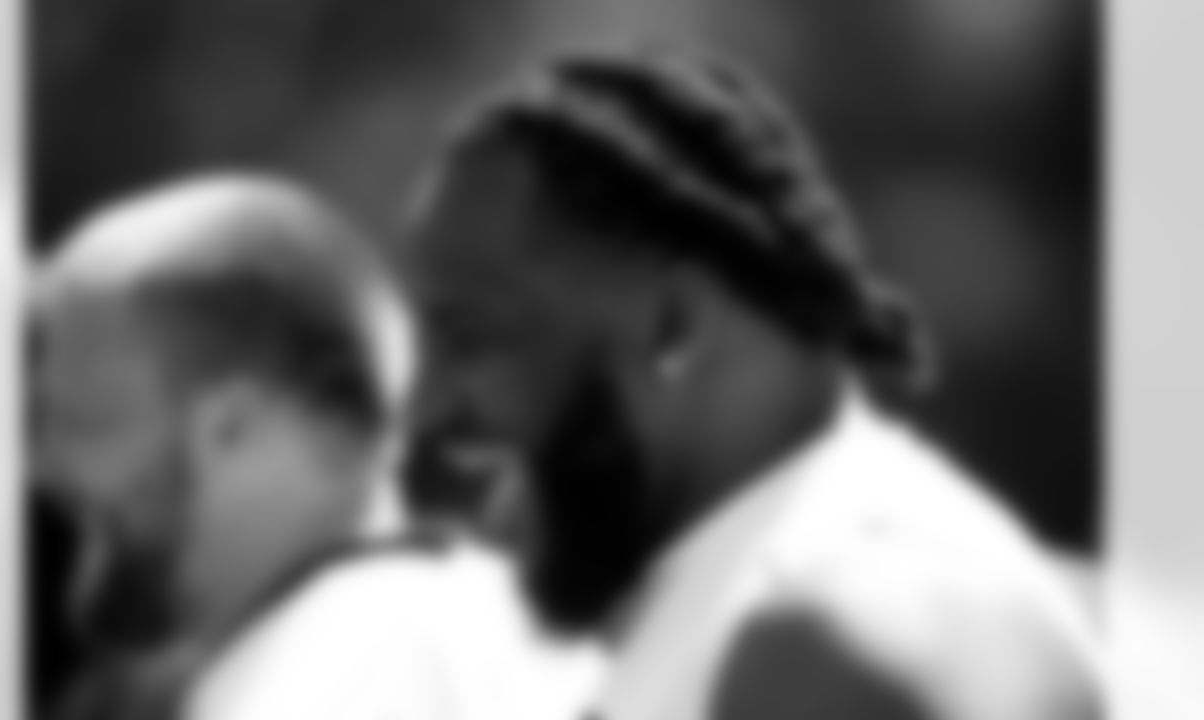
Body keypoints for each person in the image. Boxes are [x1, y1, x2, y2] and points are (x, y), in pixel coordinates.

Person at [404, 51, 1103, 720]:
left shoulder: (833, 639)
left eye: (470, 337)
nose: (421, 409)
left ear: (672, 327)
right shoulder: (736, 600)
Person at [31, 174, 602, 720]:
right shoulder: (479, 628)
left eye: (83, 422)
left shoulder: (341, 672)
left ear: (233, 426)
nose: (42, 467)